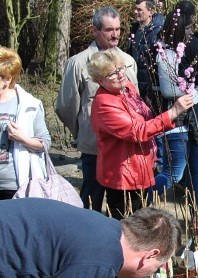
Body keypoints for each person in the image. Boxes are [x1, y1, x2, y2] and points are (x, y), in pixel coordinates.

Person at [0, 198, 180, 278]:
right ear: (150, 255)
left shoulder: (106, 234)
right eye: (156, 268)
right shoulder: (100, 259)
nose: (151, 274)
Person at [90, 50, 194, 220]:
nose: (120, 75)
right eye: (112, 73)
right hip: (123, 175)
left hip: (141, 168)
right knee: (125, 227)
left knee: (140, 225)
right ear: (100, 80)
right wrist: (173, 112)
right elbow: (138, 131)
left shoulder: (127, 87)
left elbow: (146, 116)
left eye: (121, 68)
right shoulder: (104, 103)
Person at [56, 6, 137, 212]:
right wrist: (83, 131)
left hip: (124, 147)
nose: (115, 34)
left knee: (121, 206)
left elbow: (136, 102)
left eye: (118, 29)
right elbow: (66, 106)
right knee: (91, 201)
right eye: (109, 30)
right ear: (95, 31)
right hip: (95, 147)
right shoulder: (78, 63)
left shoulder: (128, 62)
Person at [150, 1, 198, 218]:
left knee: (193, 170)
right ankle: (142, 196)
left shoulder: (173, 45)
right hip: (180, 118)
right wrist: (195, 95)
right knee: (176, 172)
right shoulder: (171, 49)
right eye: (190, 24)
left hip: (183, 118)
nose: (193, 28)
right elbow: (171, 89)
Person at [0, 47, 51, 200]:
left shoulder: (29, 104)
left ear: (7, 79)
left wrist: (22, 139)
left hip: (15, 187)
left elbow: (45, 143)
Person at [127, 0, 164, 95]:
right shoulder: (134, 29)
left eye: (139, 9)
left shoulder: (157, 33)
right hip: (136, 84)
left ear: (150, 12)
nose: (135, 12)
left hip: (151, 90)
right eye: (135, 9)